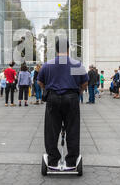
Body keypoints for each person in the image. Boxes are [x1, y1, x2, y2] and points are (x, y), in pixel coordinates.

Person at [37, 38, 88, 168]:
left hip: (53, 98)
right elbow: (84, 83)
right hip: (71, 97)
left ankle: (53, 160)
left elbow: (40, 82)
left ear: (56, 49)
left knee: (51, 130)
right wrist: (79, 93)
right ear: (68, 48)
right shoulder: (76, 65)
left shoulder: (48, 65)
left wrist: (46, 90)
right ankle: (71, 161)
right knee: (72, 129)